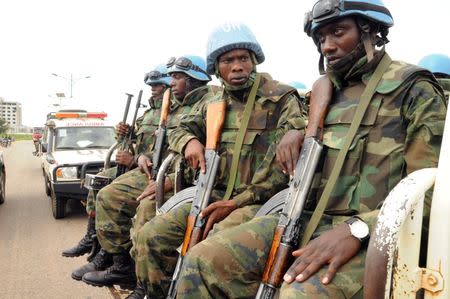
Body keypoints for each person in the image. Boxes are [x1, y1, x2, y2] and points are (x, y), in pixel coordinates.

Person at [175, 1, 447, 298]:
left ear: (369, 30)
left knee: (297, 294)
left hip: (373, 235)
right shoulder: (324, 92)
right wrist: (297, 131)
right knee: (200, 262)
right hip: (304, 219)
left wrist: (357, 229)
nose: (327, 46)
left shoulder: (413, 88)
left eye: (338, 32)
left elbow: (431, 191)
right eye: (321, 39)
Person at [133, 22, 306, 298]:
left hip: (257, 202)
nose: (237, 66)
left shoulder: (280, 99)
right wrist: (188, 141)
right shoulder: (214, 103)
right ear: (216, 68)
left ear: (253, 62)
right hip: (213, 195)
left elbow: (280, 169)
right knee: (150, 237)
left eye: (243, 59)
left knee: (209, 248)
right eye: (228, 60)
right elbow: (180, 127)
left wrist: (238, 202)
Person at [80, 55, 215, 296]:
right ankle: (116, 259)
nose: (170, 83)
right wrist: (136, 151)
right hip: (164, 173)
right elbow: (168, 140)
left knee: (145, 214)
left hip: (187, 180)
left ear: (195, 78)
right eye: (170, 77)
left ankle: (145, 282)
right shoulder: (182, 105)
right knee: (107, 192)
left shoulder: (209, 102)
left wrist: (161, 175)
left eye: (177, 77)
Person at [65, 63, 171, 278]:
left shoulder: (171, 113)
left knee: (109, 194)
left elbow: (165, 152)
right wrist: (125, 134)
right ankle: (94, 239)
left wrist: (132, 160)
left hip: (151, 171)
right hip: (136, 166)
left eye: (158, 84)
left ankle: (117, 257)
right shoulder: (149, 113)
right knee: (97, 180)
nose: (153, 88)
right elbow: (137, 140)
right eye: (151, 85)